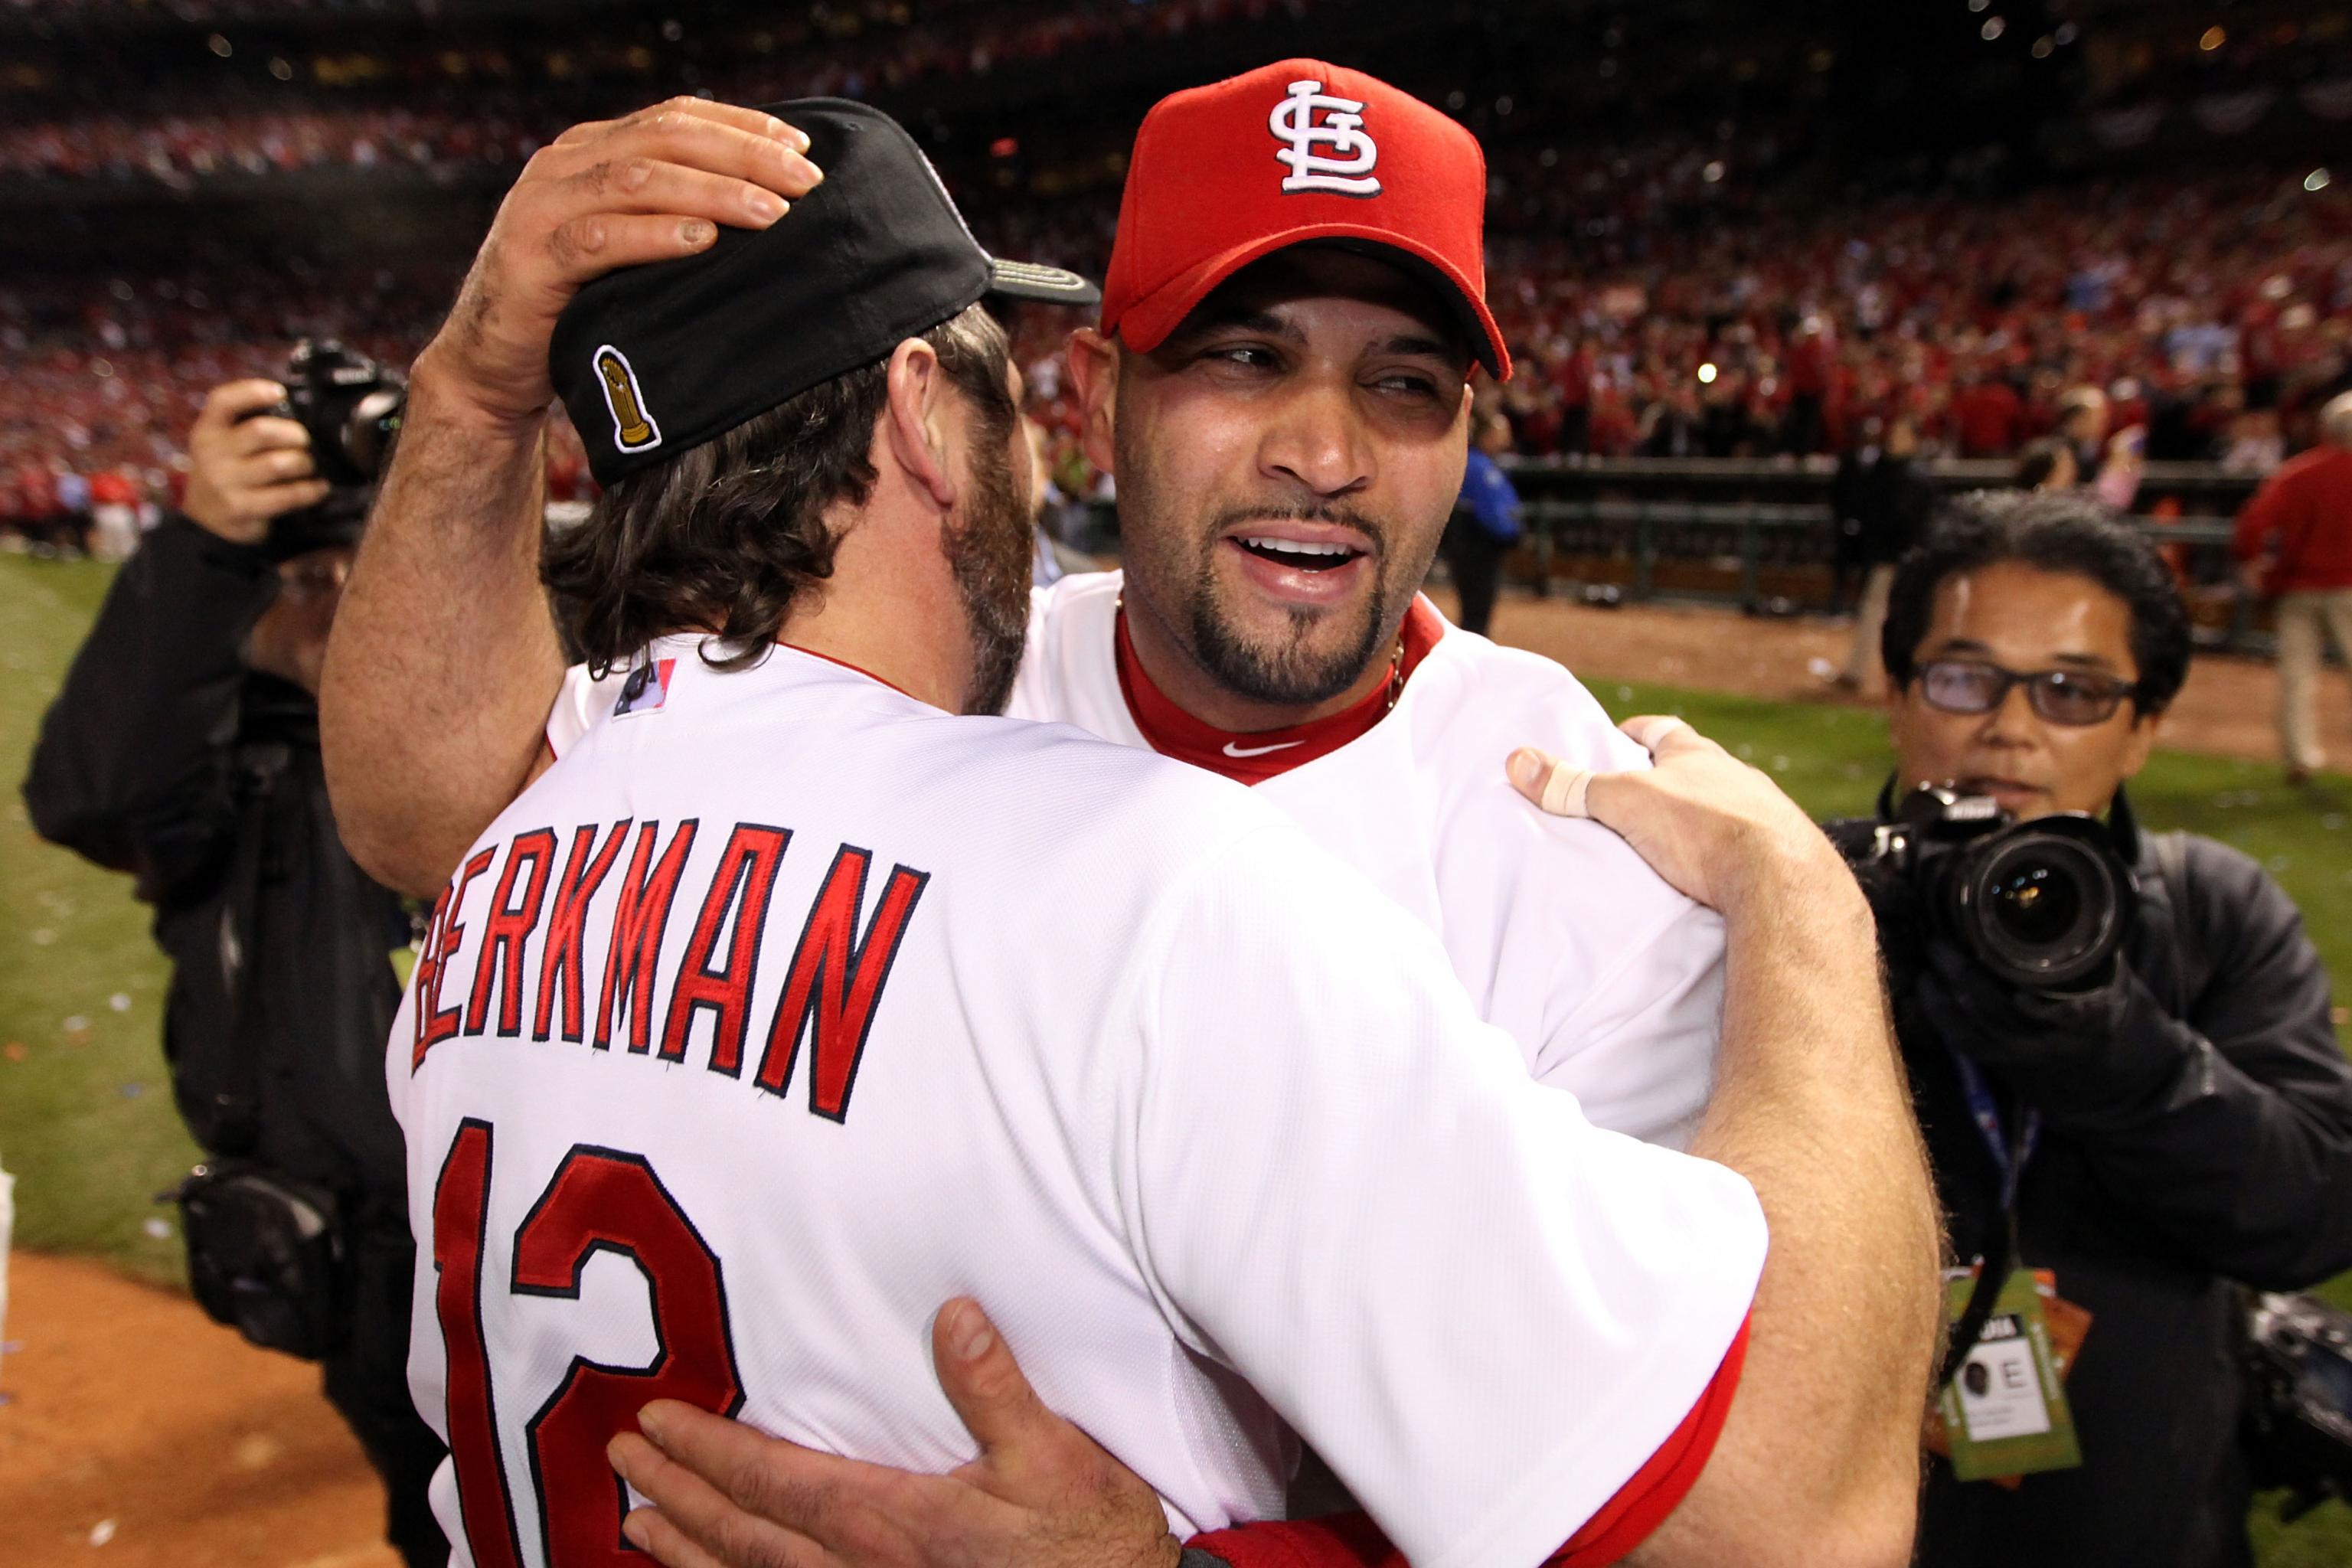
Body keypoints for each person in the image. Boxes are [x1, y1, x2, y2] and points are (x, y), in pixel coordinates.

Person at [320, 77, 1937, 1568]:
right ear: (1084, 400)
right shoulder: (942, 705)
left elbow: (1721, 1502)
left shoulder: (1589, 836)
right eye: (1245, 357)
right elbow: (422, 811)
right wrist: (466, 395)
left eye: (1406, 383)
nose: (1323, 451)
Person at [1836, 490, 2352, 1567]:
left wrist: (2114, 1055)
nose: (2011, 729)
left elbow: (2312, 1213)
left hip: (2149, 1515)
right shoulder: (1800, 899)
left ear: (2142, 730)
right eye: (1965, 678)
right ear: (1899, 694)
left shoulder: (2212, 912)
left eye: (2073, 692)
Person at [20, 380, 446, 1566]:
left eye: (361, 567)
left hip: (514, 1233)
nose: (342, 604)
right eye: (304, 581)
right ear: (246, 609)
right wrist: (206, 546)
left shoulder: (479, 721)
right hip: (365, 1253)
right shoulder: (223, 766)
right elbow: (89, 794)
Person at [2232, 390, 2352, 783]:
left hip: (2298, 587)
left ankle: (2301, 756)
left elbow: (2253, 523)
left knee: (2297, 678)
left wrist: (2252, 561)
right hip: (2348, 591)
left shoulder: (2299, 473)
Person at [1834, 413, 1934, 695]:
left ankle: (1907, 679)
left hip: (1904, 560)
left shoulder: (1914, 475)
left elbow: (1911, 521)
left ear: (1915, 441)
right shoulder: (1888, 470)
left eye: (1902, 434)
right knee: (1876, 614)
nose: (1894, 439)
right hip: (1890, 557)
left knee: (1907, 620)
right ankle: (1865, 674)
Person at [1440, 407, 1521, 635]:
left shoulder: (1481, 463)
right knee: (1476, 614)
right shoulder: (1478, 465)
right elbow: (1494, 514)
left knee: (1474, 613)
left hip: (1470, 547)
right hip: (1477, 548)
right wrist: (1511, 536)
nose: (1506, 436)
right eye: (1500, 431)